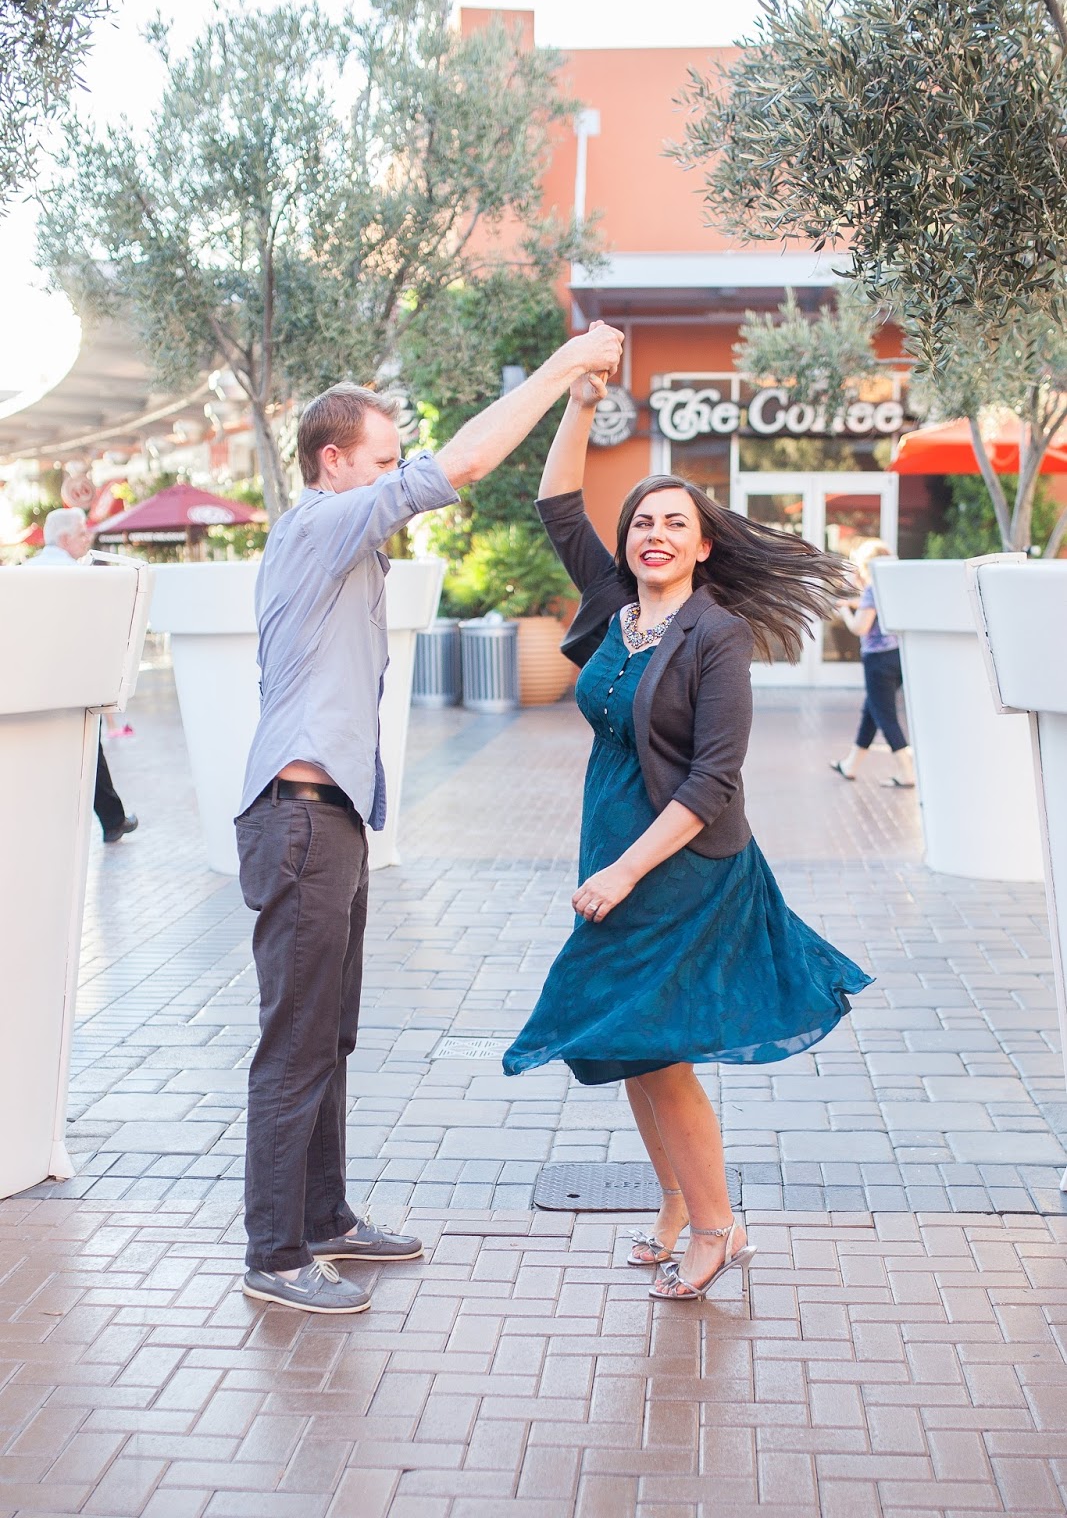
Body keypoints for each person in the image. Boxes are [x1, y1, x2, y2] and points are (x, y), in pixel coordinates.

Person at [235, 322, 626, 1315]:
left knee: (328, 1036)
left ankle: (322, 1219)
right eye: (379, 457)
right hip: (296, 818)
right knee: (294, 1041)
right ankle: (276, 1254)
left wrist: (582, 403)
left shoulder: (344, 552)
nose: (393, 473)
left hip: (326, 820)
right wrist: (566, 362)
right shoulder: (319, 523)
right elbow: (465, 461)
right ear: (334, 463)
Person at [502, 354, 873, 1303]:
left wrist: (624, 872)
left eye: (676, 522)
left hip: (680, 865)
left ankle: (717, 1228)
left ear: (704, 547)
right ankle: (674, 1206)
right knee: (631, 1043)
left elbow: (713, 781)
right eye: (642, 522)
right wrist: (580, 404)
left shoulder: (715, 636)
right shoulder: (610, 607)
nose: (654, 533)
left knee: (657, 1052)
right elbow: (553, 500)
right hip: (613, 847)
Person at [22, 508, 138, 844]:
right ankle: (112, 820)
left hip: (36, 683)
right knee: (89, 749)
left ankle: (46, 822)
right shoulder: (77, 574)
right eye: (81, 531)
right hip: (75, 681)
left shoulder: (25, 571)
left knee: (45, 751)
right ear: (64, 538)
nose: (88, 537)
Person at [830, 538, 914, 788]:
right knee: (872, 712)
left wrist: (844, 611)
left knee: (885, 716)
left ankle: (906, 771)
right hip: (897, 656)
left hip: (878, 661)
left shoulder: (871, 590)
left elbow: (860, 627)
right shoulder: (893, 587)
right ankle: (851, 764)